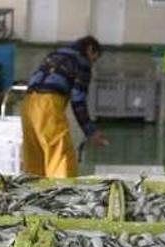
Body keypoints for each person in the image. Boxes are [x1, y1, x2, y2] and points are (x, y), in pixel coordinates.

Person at [22, 36, 107, 178]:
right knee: (60, 155)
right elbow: (78, 99)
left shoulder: (54, 55)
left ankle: (34, 193)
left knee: (35, 155)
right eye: (94, 58)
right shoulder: (82, 62)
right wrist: (90, 131)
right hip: (48, 105)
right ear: (90, 49)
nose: (92, 63)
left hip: (28, 103)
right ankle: (63, 194)